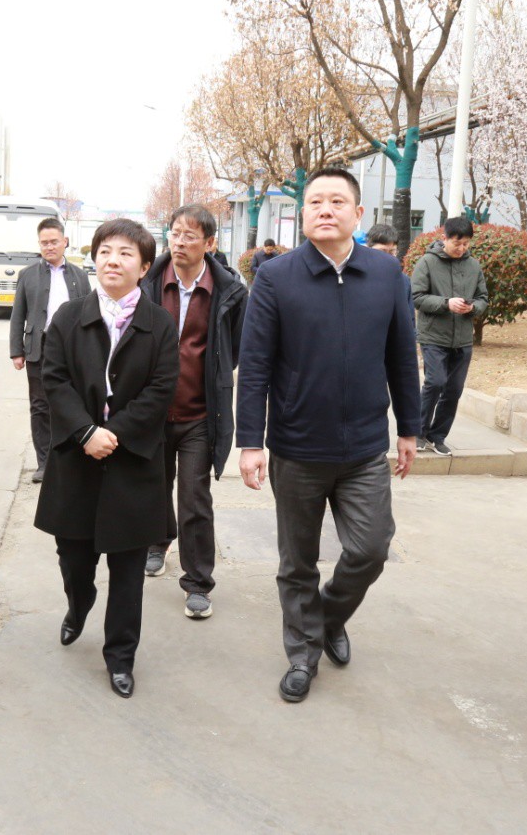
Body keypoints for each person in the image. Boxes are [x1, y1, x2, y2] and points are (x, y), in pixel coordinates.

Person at [237, 167, 421, 703]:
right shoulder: (276, 277)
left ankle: (327, 616)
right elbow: (255, 365)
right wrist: (251, 441)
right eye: (315, 201)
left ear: (358, 214)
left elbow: (401, 357)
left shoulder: (387, 275)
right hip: (297, 447)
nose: (325, 209)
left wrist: (409, 428)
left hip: (364, 448)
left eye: (337, 201)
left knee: (370, 550)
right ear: (303, 214)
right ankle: (303, 654)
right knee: (297, 560)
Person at [34, 219, 179, 699]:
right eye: (105, 252)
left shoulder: (159, 323)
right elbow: (54, 379)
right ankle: (79, 604)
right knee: (74, 558)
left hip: (133, 462)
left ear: (144, 266)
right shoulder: (68, 316)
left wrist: (113, 434)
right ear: (94, 258)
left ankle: (120, 656)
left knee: (128, 570)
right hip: (76, 460)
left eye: (125, 253)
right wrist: (85, 432)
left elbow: (161, 388)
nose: (113, 261)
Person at [139, 204, 247, 618]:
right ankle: (157, 542)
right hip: (152, 412)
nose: (179, 242)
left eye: (189, 235)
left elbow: (234, 348)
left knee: (195, 498)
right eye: (175, 233)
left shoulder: (230, 291)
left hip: (200, 415)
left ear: (210, 243)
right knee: (153, 486)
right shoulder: (148, 282)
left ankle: (198, 582)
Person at [9, 217, 91, 483]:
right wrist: (17, 351)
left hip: (71, 348)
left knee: (71, 403)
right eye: (44, 243)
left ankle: (68, 459)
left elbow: (89, 315)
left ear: (65, 242)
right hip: (38, 347)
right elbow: (18, 315)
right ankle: (44, 463)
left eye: (54, 242)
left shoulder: (79, 276)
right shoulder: (27, 275)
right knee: (40, 406)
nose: (49, 247)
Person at [410, 217, 489, 457]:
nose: (462, 248)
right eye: (457, 243)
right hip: (434, 336)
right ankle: (418, 433)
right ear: (444, 238)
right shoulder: (427, 262)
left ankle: (437, 436)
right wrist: (446, 303)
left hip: (462, 338)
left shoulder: (473, 266)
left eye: (466, 244)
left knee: (454, 390)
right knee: (435, 382)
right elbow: (416, 297)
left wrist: (473, 307)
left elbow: (483, 298)